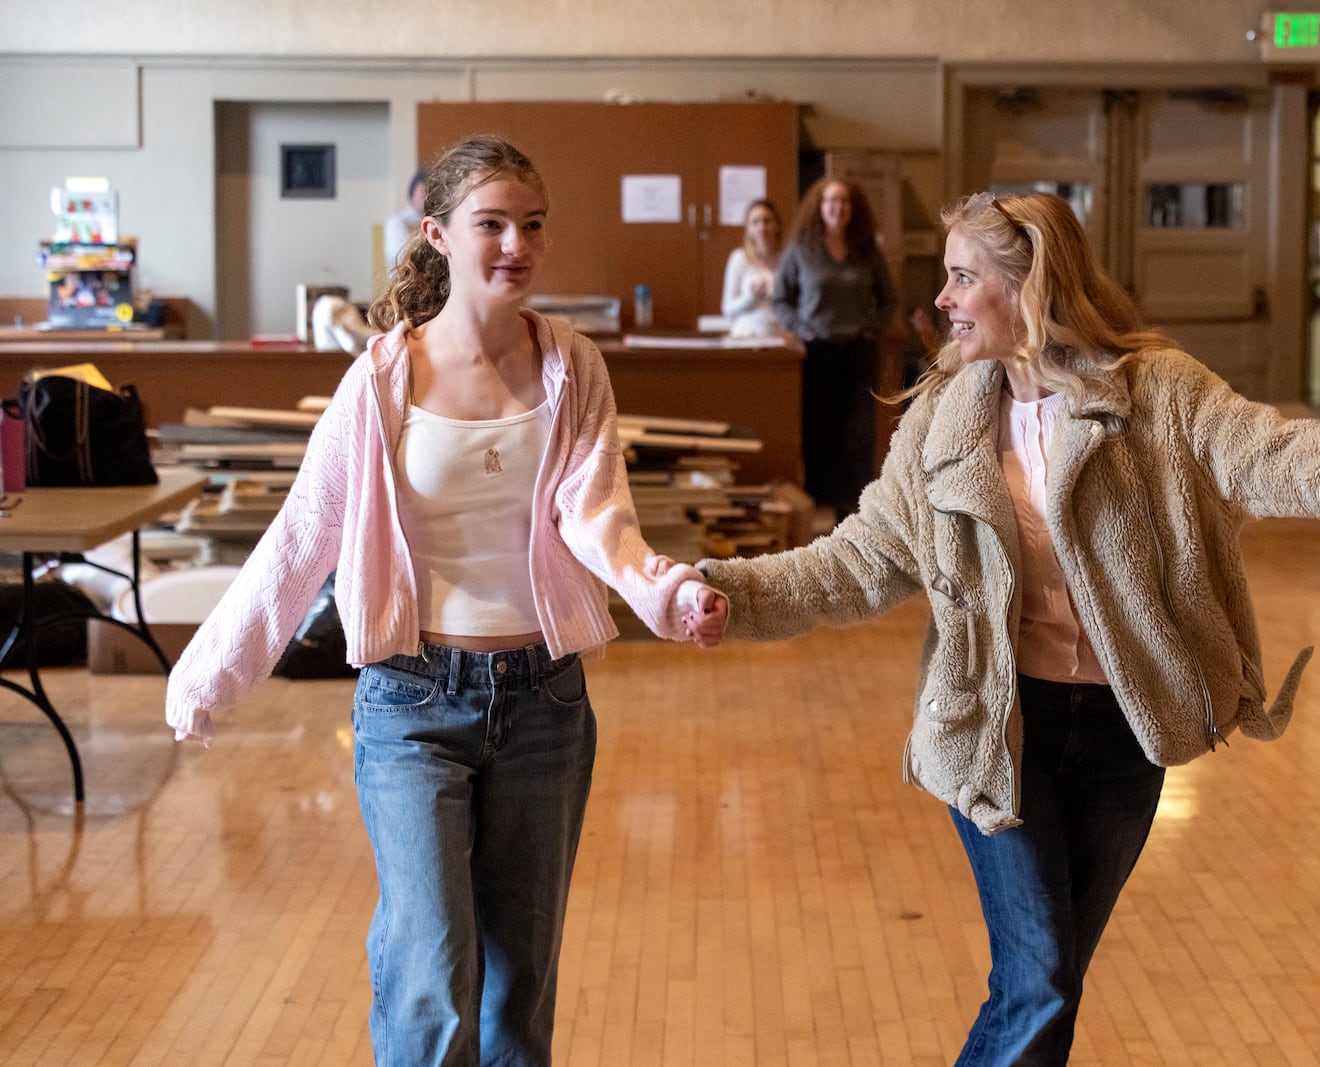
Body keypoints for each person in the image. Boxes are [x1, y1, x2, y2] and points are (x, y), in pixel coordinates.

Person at [694, 191, 1320, 1066]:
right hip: (994, 732)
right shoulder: (942, 419)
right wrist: (724, 592)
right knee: (1041, 978)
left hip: (1125, 732)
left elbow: (1291, 459)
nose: (941, 299)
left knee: (1048, 985)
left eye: (963, 278)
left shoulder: (1161, 396)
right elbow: (855, 562)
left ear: (1031, 288)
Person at [165, 135, 727, 1067]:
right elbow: (300, 538)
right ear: (439, 234)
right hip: (411, 700)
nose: (516, 244)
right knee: (430, 969)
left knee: (520, 977)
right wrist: (209, 673)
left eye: (533, 225)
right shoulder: (381, 380)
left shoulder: (572, 366)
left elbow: (597, 517)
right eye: (492, 224)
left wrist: (665, 593)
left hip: (545, 700)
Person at [770, 176, 896, 519]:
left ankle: (855, 509)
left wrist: (874, 329)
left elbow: (888, 299)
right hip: (818, 351)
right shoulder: (801, 249)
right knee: (820, 431)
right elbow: (780, 299)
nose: (837, 208)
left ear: (853, 209)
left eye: (843, 202)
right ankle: (821, 506)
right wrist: (799, 328)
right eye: (830, 201)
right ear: (818, 207)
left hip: (859, 351)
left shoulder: (865, 249)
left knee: (859, 432)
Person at [721, 198, 784, 337]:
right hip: (746, 335)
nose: (762, 227)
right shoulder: (739, 259)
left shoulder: (786, 260)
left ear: (777, 225)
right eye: (755, 222)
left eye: (767, 221)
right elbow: (727, 310)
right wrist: (750, 298)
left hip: (778, 336)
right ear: (748, 229)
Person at [383, 166, 429, 271]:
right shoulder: (397, 222)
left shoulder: (436, 221)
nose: (424, 198)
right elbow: (401, 257)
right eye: (421, 193)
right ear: (412, 193)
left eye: (428, 194)